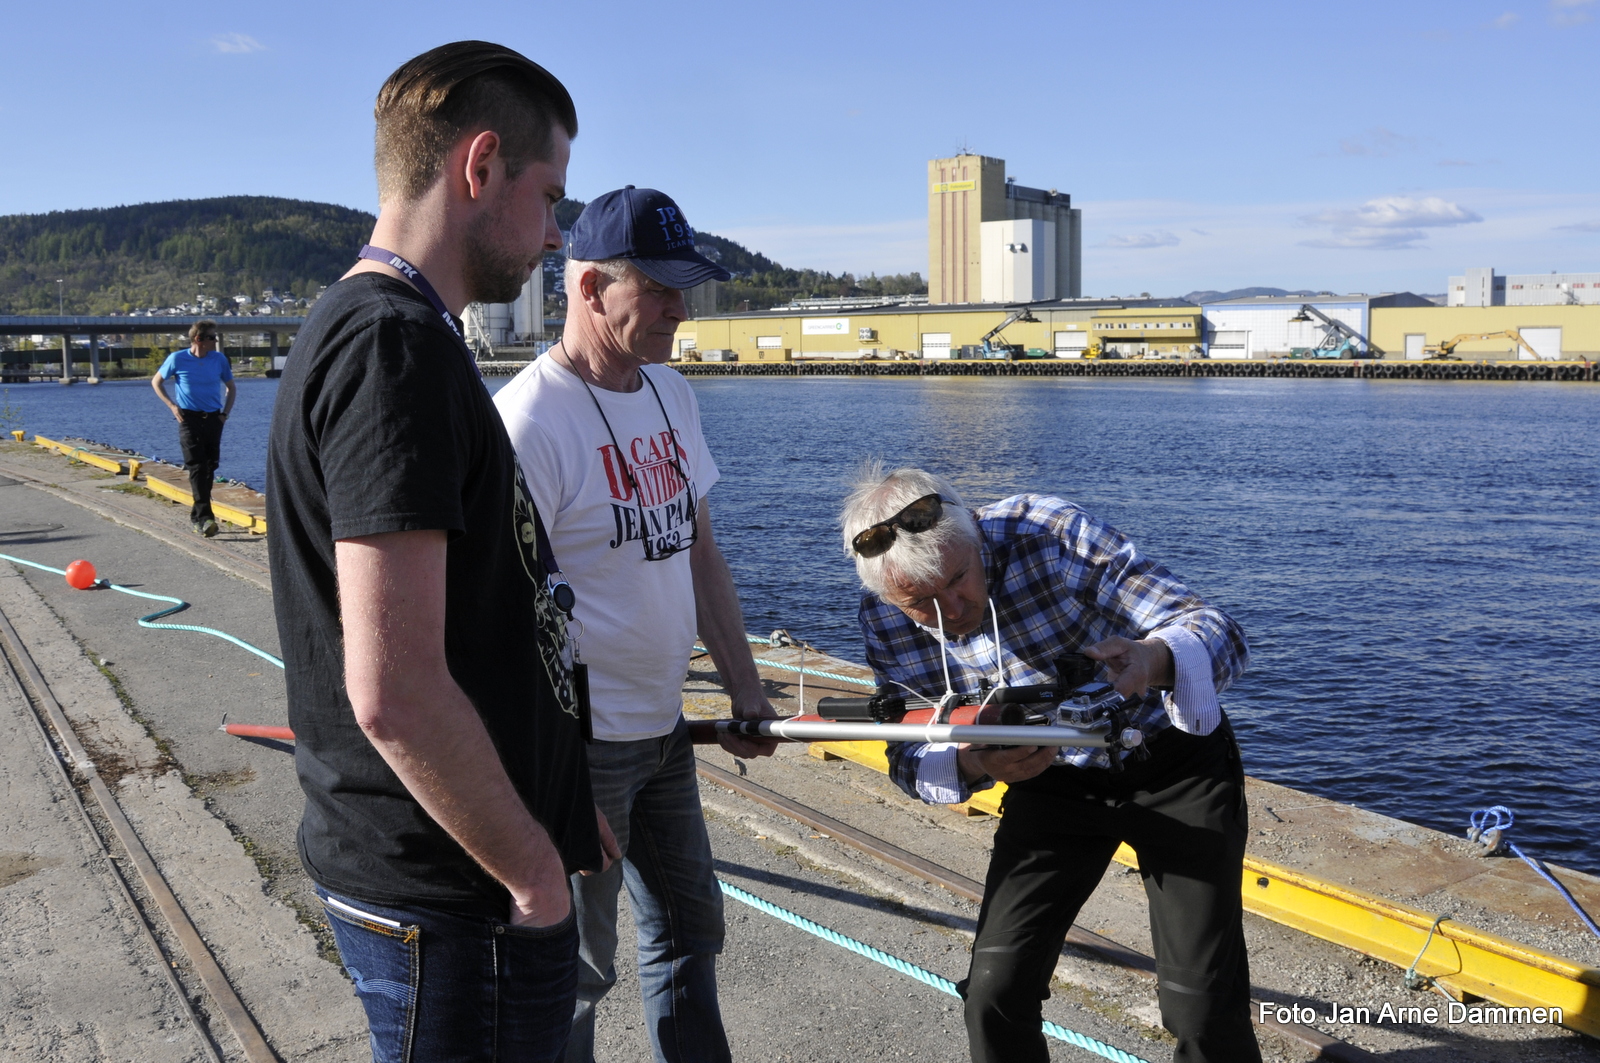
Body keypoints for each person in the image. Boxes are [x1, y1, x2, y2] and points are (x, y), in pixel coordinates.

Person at [265, 41, 618, 1062]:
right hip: (454, 888)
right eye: (549, 195)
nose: (557, 233)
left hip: (462, 859)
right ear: (478, 168)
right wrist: (531, 871)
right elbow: (398, 690)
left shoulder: (395, 332)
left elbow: (478, 618)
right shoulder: (394, 348)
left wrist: (551, 797)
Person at [840, 465, 1260, 1063]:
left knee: (1201, 1003)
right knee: (993, 990)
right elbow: (907, 754)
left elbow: (1219, 632)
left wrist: (1152, 658)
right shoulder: (882, 616)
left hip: (1173, 764)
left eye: (959, 580)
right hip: (1051, 779)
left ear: (976, 538)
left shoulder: (1048, 532)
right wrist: (979, 760)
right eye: (921, 606)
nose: (951, 611)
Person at [494, 186, 777, 1063]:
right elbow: (500, 614)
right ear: (588, 288)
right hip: (581, 750)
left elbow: (699, 555)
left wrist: (745, 684)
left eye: (682, 289)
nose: (679, 310)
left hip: (663, 734)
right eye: (657, 290)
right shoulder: (530, 421)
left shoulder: (669, 395)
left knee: (692, 929)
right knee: (572, 965)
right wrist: (551, 776)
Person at [151, 319, 235, 536]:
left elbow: (231, 387)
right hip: (188, 419)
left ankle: (198, 516)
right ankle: (205, 518)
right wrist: (171, 406)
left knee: (210, 466)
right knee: (197, 466)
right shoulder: (177, 359)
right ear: (199, 339)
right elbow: (156, 382)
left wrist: (224, 414)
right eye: (212, 337)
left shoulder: (219, 360)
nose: (216, 341)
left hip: (214, 419)